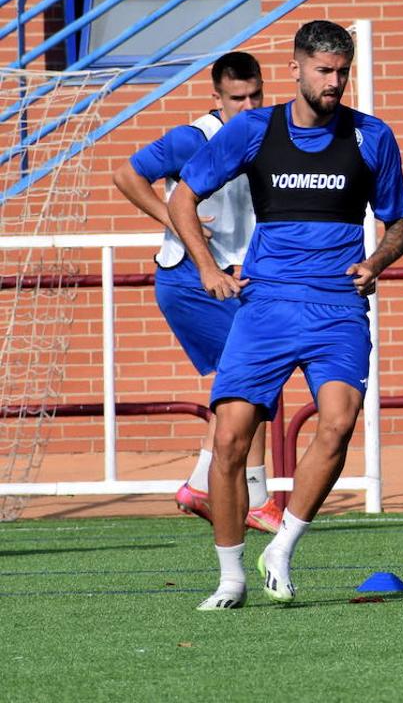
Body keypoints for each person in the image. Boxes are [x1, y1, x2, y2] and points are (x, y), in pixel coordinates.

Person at [168, 20, 403, 610]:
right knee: (229, 439)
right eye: (323, 71)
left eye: (341, 73)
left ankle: (282, 546)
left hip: (336, 306)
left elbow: (400, 223)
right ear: (296, 69)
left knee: (337, 422)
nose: (334, 83)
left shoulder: (371, 136)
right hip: (267, 304)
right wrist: (206, 267)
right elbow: (182, 196)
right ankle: (230, 577)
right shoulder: (253, 129)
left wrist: (377, 260)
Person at [112, 51, 282, 534]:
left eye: (255, 96)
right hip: (190, 279)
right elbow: (126, 175)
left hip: (236, 278)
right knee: (253, 379)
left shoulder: (269, 132)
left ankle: (199, 484)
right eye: (236, 98)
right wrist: (173, 217)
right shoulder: (192, 138)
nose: (247, 106)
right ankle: (256, 497)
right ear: (216, 97)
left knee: (242, 385)